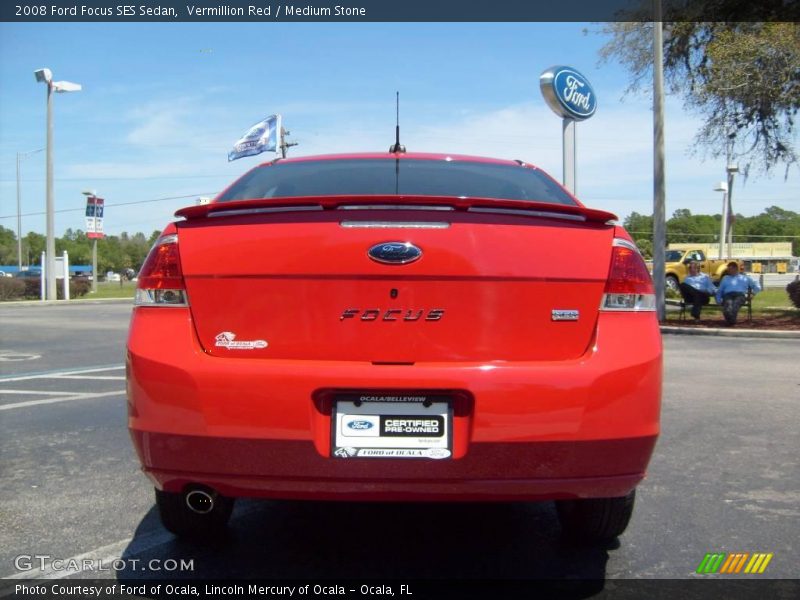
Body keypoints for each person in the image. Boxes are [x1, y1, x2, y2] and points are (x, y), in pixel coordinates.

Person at [715, 261, 761, 326]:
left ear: (735, 269)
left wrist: (753, 294)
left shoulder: (745, 278)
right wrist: (718, 299)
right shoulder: (725, 278)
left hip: (740, 295)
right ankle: (732, 322)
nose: (728, 271)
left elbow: (757, 286)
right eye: (728, 269)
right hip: (728, 295)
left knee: (735, 306)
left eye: (730, 269)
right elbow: (720, 290)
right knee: (727, 309)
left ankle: (730, 322)